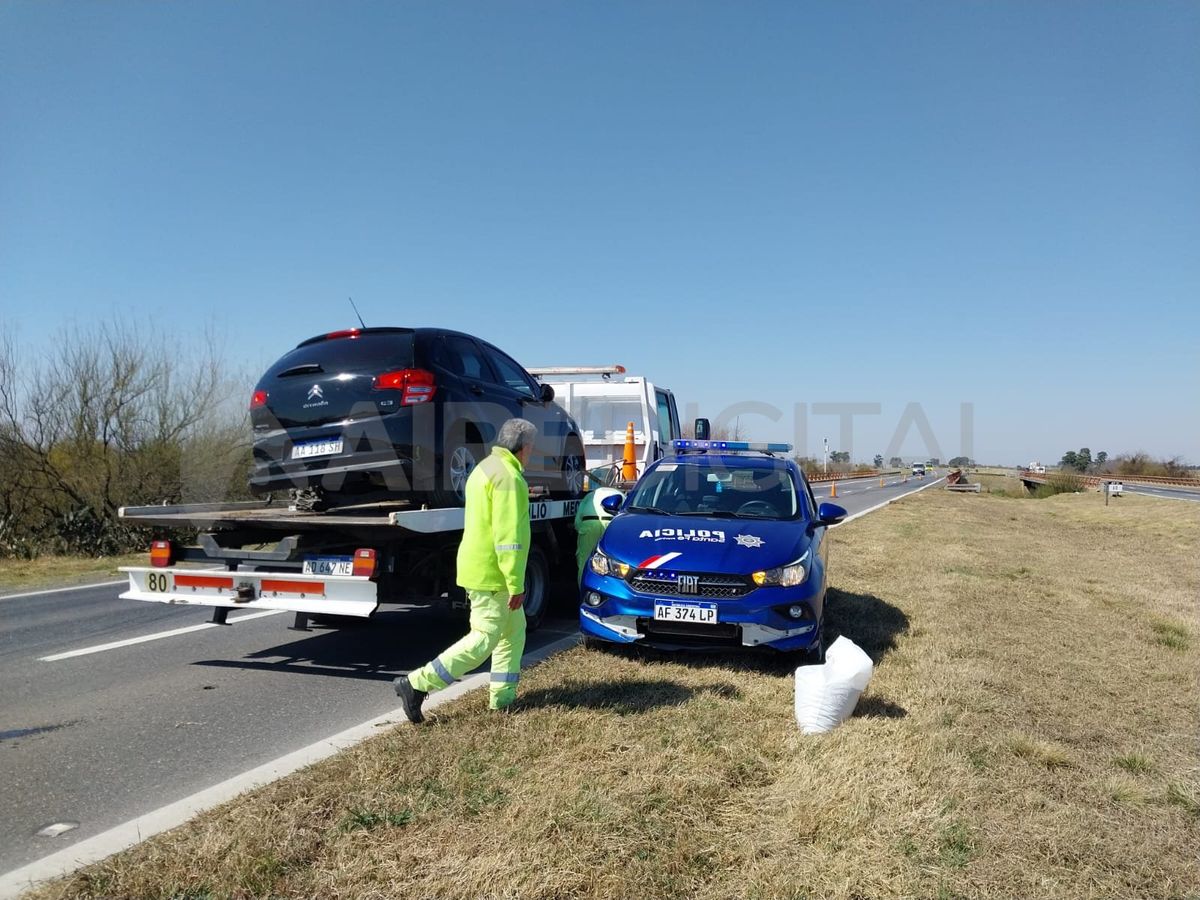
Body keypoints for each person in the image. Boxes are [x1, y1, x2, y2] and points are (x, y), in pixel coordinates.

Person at [394, 418, 536, 722]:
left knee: (513, 633)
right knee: (484, 638)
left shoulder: (483, 469)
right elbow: (509, 537)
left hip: (478, 565)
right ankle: (416, 683)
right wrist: (515, 583)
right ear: (523, 447)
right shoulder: (510, 478)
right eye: (531, 449)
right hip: (494, 574)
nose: (530, 454)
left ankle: (503, 699)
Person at [574, 486, 623, 582]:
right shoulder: (621, 495)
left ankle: (583, 592)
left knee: (584, 564)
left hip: (588, 526)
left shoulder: (589, 496)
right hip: (611, 525)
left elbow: (577, 522)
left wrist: (582, 530)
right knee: (612, 564)